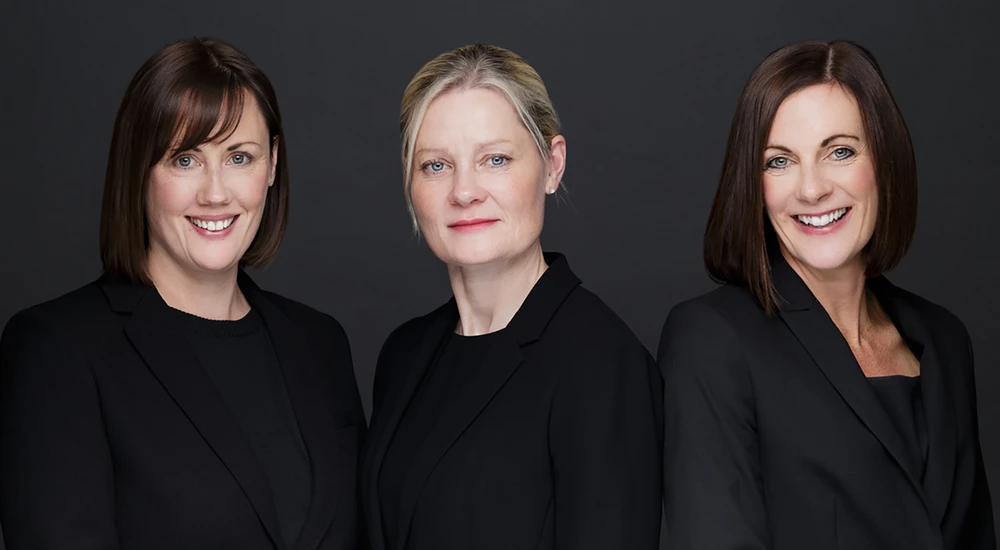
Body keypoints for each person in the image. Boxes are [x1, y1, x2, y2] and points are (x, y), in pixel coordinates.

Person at [0, 38, 365, 550]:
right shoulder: (57, 350)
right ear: (140, 171)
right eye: (185, 159)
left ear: (273, 165)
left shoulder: (320, 344)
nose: (215, 193)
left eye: (239, 157)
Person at [658, 40, 995, 549]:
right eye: (778, 162)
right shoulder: (711, 341)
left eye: (840, 151)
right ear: (753, 183)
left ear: (884, 161)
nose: (811, 189)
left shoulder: (945, 341)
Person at [359, 43, 663, 550]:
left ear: (552, 165)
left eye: (494, 159)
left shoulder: (603, 364)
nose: (464, 191)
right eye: (436, 165)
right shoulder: (405, 354)